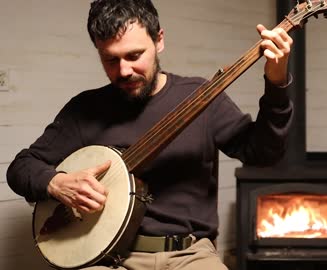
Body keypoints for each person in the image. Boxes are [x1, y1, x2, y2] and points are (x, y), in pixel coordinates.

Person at [7, 0, 293, 269]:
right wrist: (56, 183)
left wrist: (276, 82)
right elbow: (21, 167)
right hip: (109, 257)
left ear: (159, 40)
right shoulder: (85, 109)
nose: (123, 70)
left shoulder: (202, 97)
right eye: (110, 60)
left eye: (134, 56)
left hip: (189, 254)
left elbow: (264, 155)